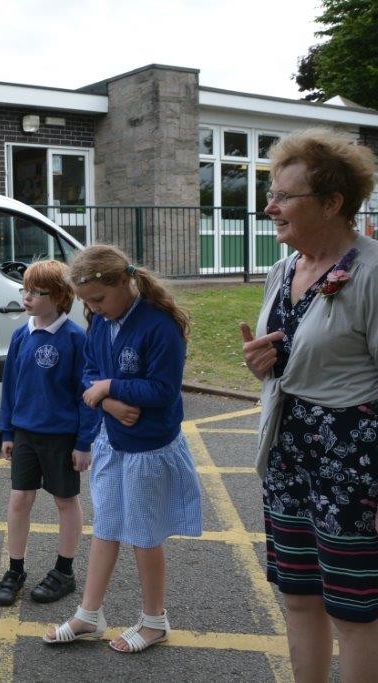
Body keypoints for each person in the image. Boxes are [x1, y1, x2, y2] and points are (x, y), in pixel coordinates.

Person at [240, 128, 378, 682]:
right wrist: (261, 363)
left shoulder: (370, 272)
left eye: (283, 196)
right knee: (299, 596)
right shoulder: (283, 270)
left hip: (355, 465)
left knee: (355, 612)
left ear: (332, 202)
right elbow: (291, 355)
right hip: (288, 453)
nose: (270, 206)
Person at [44, 244, 202, 653]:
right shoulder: (100, 321)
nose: (93, 309)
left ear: (125, 282)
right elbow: (90, 373)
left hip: (148, 447)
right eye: (86, 303)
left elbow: (164, 390)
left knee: (145, 535)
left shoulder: (159, 325)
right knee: (108, 526)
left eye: (98, 299)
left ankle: (155, 621)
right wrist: (108, 398)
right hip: (113, 440)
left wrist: (110, 388)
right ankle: (89, 614)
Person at [0, 260, 98, 607]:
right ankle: (16, 568)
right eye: (25, 289)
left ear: (59, 297)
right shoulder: (21, 334)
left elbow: (87, 394)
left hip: (61, 437)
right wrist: (7, 430)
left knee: (65, 501)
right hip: (25, 434)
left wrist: (83, 443)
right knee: (19, 500)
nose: (27, 297)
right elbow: (10, 385)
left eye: (36, 292)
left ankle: (64, 571)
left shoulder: (74, 338)